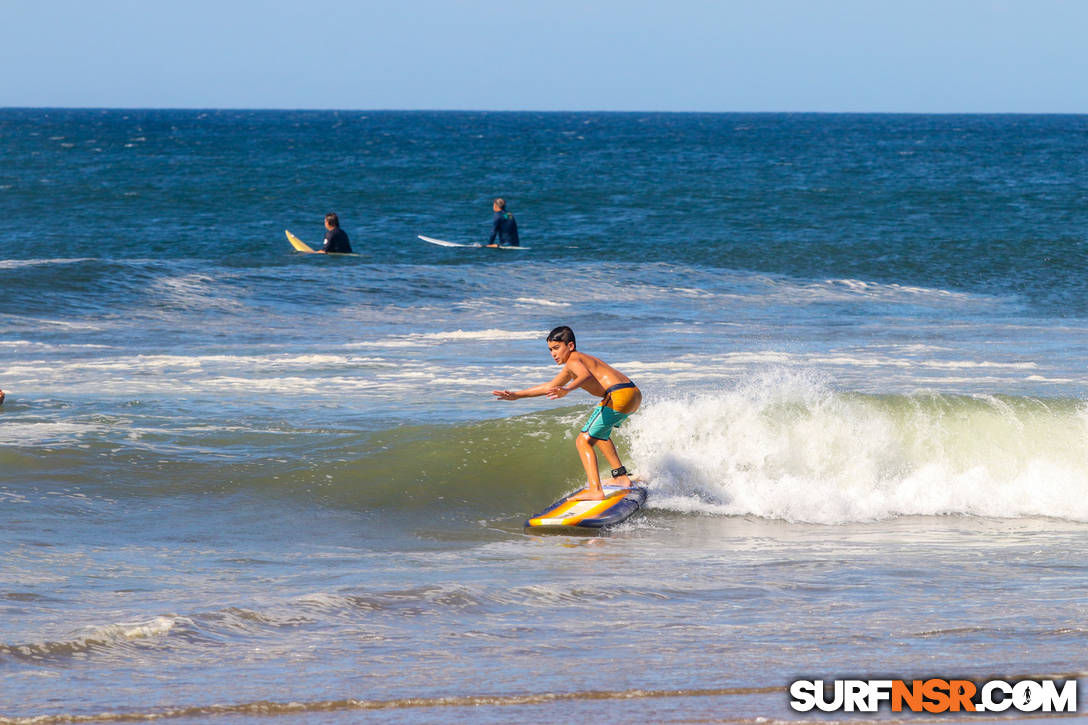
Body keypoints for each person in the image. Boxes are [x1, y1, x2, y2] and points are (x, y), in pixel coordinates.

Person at [492, 326, 642, 501]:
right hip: (632, 394)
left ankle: (595, 490)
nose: (553, 354)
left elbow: (584, 376)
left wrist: (568, 389)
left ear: (570, 346)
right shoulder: (576, 363)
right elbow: (550, 386)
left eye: (556, 348)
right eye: (550, 350)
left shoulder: (573, 360)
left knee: (582, 441)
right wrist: (517, 395)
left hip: (618, 395)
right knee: (599, 435)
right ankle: (621, 477)